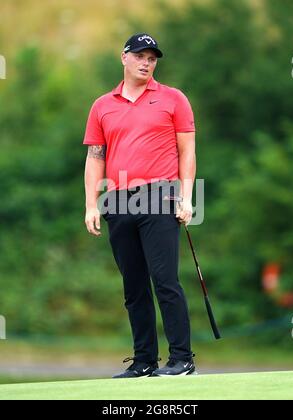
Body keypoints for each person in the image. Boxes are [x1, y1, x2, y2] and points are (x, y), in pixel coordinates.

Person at [83, 33, 196, 377]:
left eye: (152, 58)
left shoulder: (173, 99)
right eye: (141, 56)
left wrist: (188, 197)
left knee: (165, 281)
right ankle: (144, 360)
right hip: (117, 200)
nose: (147, 63)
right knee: (133, 287)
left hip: (160, 196)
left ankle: (181, 358)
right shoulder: (102, 105)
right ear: (124, 58)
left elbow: (187, 151)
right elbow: (94, 157)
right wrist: (91, 204)